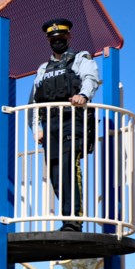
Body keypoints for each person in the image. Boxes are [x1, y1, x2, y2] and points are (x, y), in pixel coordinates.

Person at [28, 18, 102, 232]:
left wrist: (83, 95)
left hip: (72, 121)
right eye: (53, 39)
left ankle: (73, 221)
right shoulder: (43, 68)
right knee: (55, 173)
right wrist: (36, 127)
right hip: (49, 125)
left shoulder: (80, 58)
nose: (57, 41)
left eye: (61, 38)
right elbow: (34, 100)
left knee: (70, 167)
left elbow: (91, 79)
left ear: (68, 37)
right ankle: (66, 217)